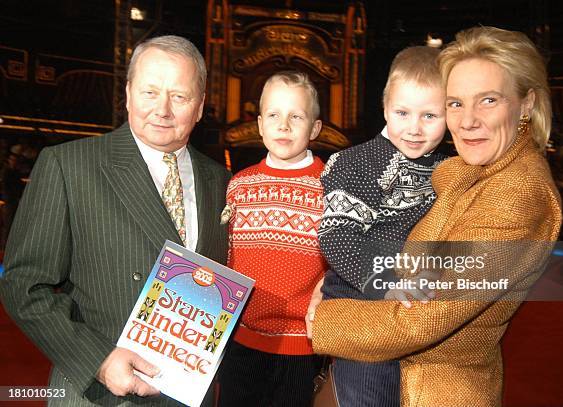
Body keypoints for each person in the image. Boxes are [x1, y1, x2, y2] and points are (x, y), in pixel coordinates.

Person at [307, 26, 563, 406]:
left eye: (488, 100)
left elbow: (419, 319)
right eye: (457, 103)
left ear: (526, 103)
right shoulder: (464, 168)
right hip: (387, 347)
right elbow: (342, 236)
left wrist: (321, 320)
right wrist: (351, 277)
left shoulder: (518, 192)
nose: (468, 120)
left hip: (432, 386)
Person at [0, 35, 230, 406]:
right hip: (98, 394)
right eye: (150, 92)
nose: (163, 110)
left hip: (188, 396)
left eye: (180, 97)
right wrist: (99, 360)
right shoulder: (69, 166)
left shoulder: (222, 182)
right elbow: (23, 286)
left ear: (200, 106)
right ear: (127, 94)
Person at [316, 46, 447, 406]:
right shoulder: (357, 163)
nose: (414, 128)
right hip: (364, 311)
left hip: (416, 313)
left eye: (430, 115)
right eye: (402, 112)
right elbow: (337, 237)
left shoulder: (448, 167)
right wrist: (386, 285)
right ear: (385, 106)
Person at [217, 71, 327, 407]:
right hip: (241, 339)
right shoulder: (239, 185)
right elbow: (225, 256)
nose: (284, 126)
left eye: (296, 116)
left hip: (300, 345)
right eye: (274, 115)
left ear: (315, 128)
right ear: (260, 124)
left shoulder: (331, 186)